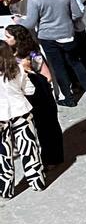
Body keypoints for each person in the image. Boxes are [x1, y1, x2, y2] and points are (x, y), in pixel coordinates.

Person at [20, 0, 86, 107]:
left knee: (59, 67)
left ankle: (69, 98)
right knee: (76, 62)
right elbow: (77, 14)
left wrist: (18, 21)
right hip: (67, 33)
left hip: (48, 37)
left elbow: (30, 22)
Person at [5, 24, 64, 168]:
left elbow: (47, 76)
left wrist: (27, 72)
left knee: (47, 128)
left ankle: (52, 159)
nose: (5, 39)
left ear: (17, 38)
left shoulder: (32, 55)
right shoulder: (10, 53)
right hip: (23, 96)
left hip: (40, 96)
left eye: (8, 37)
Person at [0, 43, 44, 196]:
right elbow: (30, 90)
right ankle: (36, 182)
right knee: (29, 149)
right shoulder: (18, 69)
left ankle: (6, 189)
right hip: (21, 111)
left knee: (3, 154)